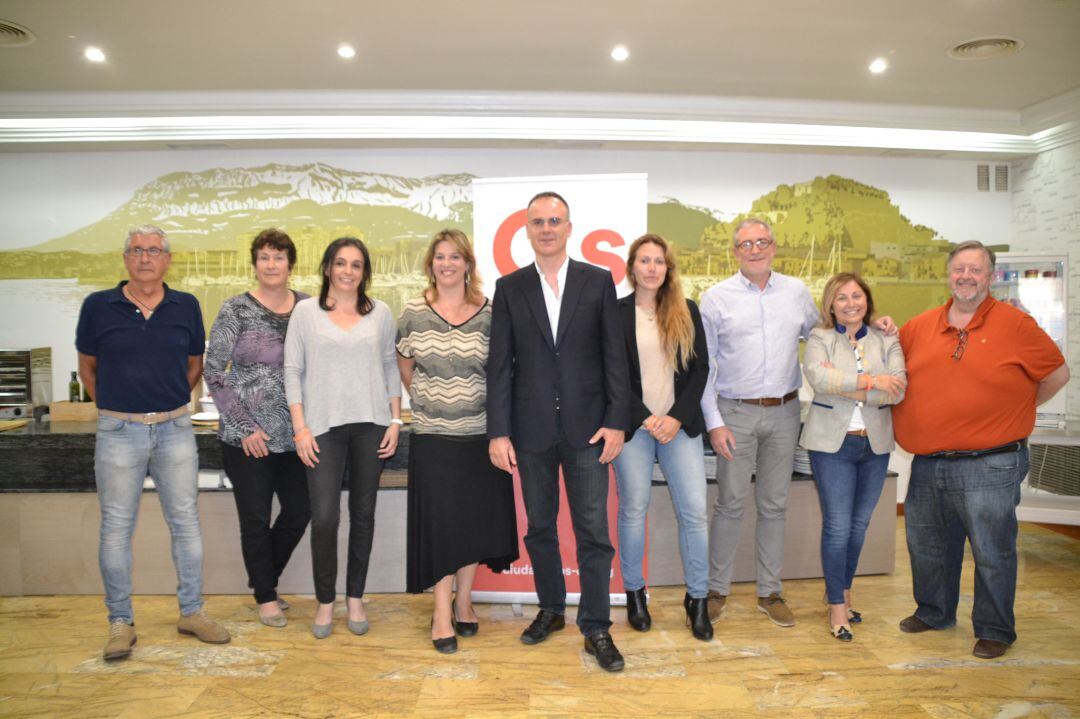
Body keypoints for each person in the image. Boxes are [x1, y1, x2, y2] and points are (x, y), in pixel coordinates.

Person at [892, 241, 1069, 660]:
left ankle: (994, 629)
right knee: (928, 545)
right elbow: (891, 366)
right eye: (959, 270)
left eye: (976, 270)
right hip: (930, 461)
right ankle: (934, 611)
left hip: (991, 462)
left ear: (990, 276)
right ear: (948, 275)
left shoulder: (1017, 324)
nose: (966, 277)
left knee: (993, 550)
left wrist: (1019, 407)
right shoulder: (919, 326)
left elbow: (1058, 373)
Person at [487, 191, 631, 672]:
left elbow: (615, 357)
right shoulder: (509, 288)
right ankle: (550, 609)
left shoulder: (597, 280)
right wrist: (498, 431)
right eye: (538, 222)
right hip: (528, 432)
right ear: (526, 230)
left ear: (569, 227)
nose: (546, 228)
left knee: (593, 531)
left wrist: (617, 421)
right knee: (541, 527)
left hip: (589, 430)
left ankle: (595, 628)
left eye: (555, 220)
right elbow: (500, 367)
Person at [76, 225, 230, 661]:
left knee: (185, 523)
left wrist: (169, 402)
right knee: (116, 529)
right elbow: (88, 367)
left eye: (154, 250)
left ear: (167, 259)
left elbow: (194, 364)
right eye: (137, 250)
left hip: (174, 429)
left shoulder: (185, 305)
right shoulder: (97, 306)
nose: (145, 257)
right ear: (126, 258)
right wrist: (111, 404)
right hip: (117, 432)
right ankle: (120, 622)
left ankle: (192, 612)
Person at [397, 229, 519, 654]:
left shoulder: (490, 313)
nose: (446, 264)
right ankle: (441, 612)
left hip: (479, 438)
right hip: (433, 438)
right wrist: (435, 404)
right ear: (431, 264)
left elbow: (500, 372)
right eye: (439, 257)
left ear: (468, 264)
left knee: (470, 526)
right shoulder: (413, 311)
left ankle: (464, 600)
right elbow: (406, 366)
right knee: (441, 528)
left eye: (455, 257)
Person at [697, 218, 819, 628]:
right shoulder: (715, 299)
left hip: (786, 412)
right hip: (735, 413)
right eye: (745, 244)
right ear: (735, 252)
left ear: (774, 246)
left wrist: (874, 328)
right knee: (729, 504)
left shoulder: (797, 293)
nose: (754, 249)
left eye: (761, 242)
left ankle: (770, 591)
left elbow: (823, 339)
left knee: (774, 505)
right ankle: (717, 589)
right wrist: (714, 422)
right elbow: (706, 367)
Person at [284, 237, 402, 639]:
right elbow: (292, 371)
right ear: (328, 268)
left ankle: (354, 597)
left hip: (371, 424)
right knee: (326, 517)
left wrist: (396, 421)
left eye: (356, 265)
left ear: (364, 272)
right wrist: (300, 427)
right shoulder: (305, 312)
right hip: (321, 428)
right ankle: (324, 601)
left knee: (364, 515)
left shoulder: (380, 313)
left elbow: (389, 367)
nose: (348, 271)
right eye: (341, 263)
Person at [205, 228, 311, 628]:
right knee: (254, 518)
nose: (271, 264)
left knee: (300, 511)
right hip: (246, 439)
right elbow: (214, 373)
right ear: (255, 264)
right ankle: (265, 595)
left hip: (295, 436)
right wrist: (244, 426)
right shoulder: (235, 310)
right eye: (264, 257)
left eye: (278, 257)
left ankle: (264, 579)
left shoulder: (308, 307)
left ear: (290, 264)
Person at [611, 234, 712, 641]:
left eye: (659, 261)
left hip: (679, 428)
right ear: (632, 267)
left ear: (668, 269)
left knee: (694, 513)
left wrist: (674, 418)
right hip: (635, 429)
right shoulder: (615, 313)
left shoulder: (686, 310)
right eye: (644, 260)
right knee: (634, 510)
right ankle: (635, 594)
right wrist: (645, 418)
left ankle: (698, 600)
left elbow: (701, 369)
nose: (652, 268)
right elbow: (611, 375)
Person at [800, 272, 906, 642]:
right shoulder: (820, 338)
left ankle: (844, 591)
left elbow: (899, 389)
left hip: (873, 446)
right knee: (838, 526)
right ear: (831, 304)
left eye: (856, 296)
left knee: (859, 527)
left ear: (867, 300)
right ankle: (836, 606)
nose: (850, 303)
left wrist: (849, 384)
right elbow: (818, 379)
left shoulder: (886, 339)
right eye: (841, 297)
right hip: (832, 446)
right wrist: (874, 381)